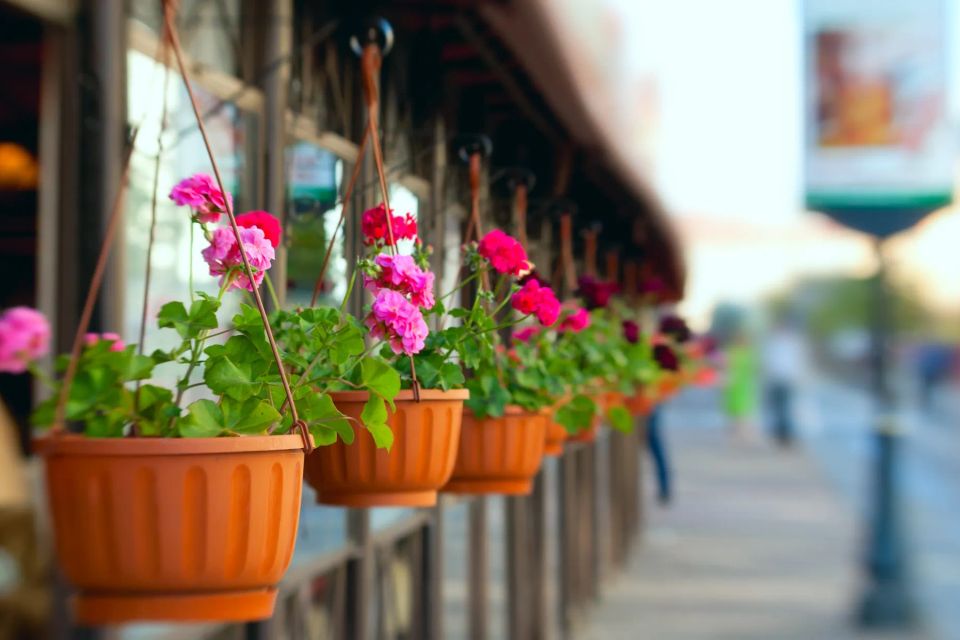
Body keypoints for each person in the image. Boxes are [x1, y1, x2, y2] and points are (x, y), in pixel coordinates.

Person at [761, 319, 808, 446]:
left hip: (787, 379)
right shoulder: (773, 344)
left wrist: (799, 378)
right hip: (775, 379)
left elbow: (798, 362)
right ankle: (780, 434)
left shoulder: (793, 343)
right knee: (777, 408)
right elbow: (767, 363)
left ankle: (786, 435)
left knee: (786, 408)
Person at [723, 330, 759, 441]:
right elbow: (725, 365)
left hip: (743, 384)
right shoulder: (732, 351)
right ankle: (737, 430)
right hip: (734, 383)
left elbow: (754, 368)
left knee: (743, 408)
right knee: (735, 408)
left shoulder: (748, 352)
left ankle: (741, 430)